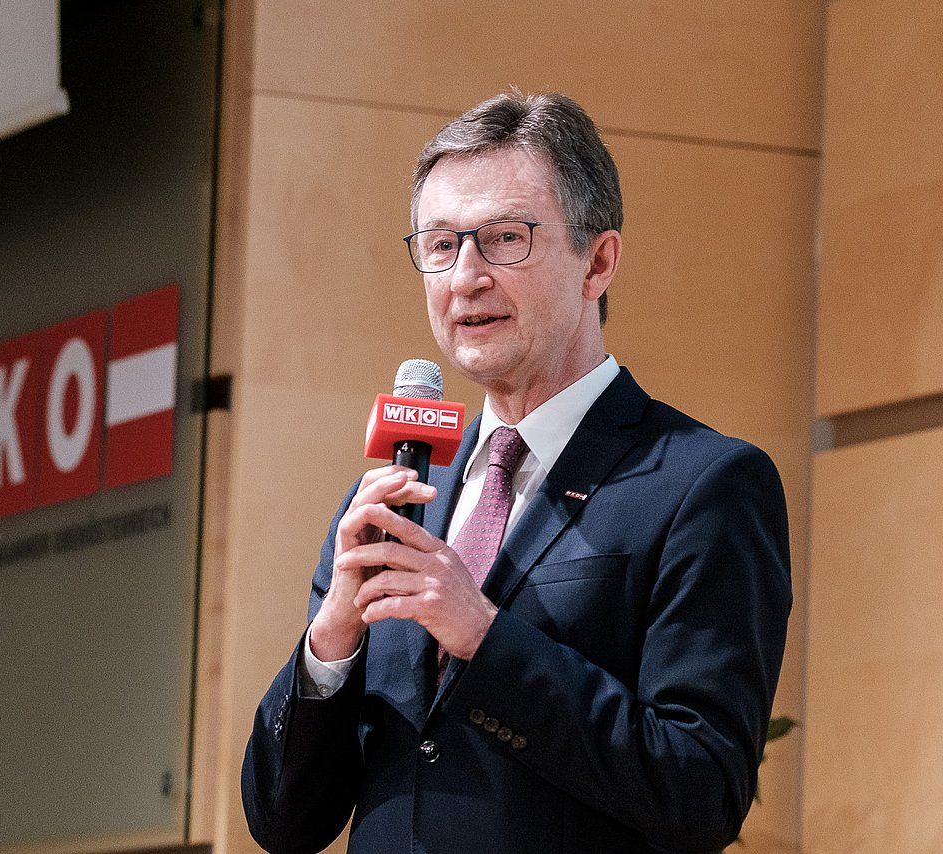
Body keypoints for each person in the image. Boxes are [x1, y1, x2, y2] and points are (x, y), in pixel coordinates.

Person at [241, 90, 792, 854]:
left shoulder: (704, 485)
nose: (465, 276)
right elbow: (282, 821)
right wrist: (331, 646)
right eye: (439, 246)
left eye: (504, 238)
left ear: (597, 261)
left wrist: (485, 637)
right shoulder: (399, 503)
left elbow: (700, 791)